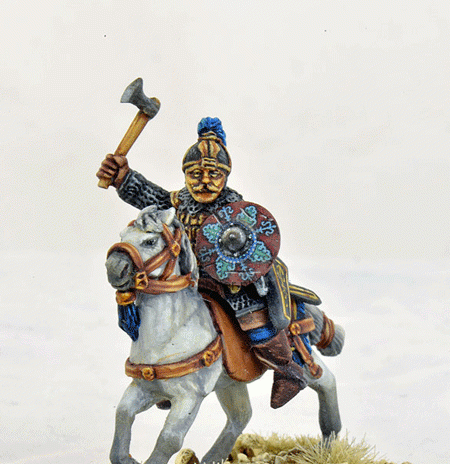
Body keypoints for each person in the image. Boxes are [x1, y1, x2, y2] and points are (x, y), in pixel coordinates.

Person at [97, 117, 306, 408]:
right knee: (151, 307)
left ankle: (287, 371)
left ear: (225, 177)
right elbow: (148, 195)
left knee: (251, 316)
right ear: (185, 175)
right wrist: (122, 177)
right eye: (195, 174)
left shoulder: (234, 207)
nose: (204, 181)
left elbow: (253, 246)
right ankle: (170, 372)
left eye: (213, 174)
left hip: (227, 281)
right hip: (184, 278)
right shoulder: (179, 202)